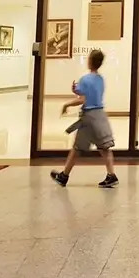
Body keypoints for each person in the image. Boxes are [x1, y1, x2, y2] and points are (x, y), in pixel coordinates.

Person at [50, 49, 118, 188]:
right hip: (100, 116)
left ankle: (64, 176)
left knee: (77, 148)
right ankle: (111, 175)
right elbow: (89, 94)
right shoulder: (100, 79)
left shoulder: (85, 79)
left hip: (89, 118)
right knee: (104, 147)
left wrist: (67, 104)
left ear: (90, 61)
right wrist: (77, 91)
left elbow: (82, 99)